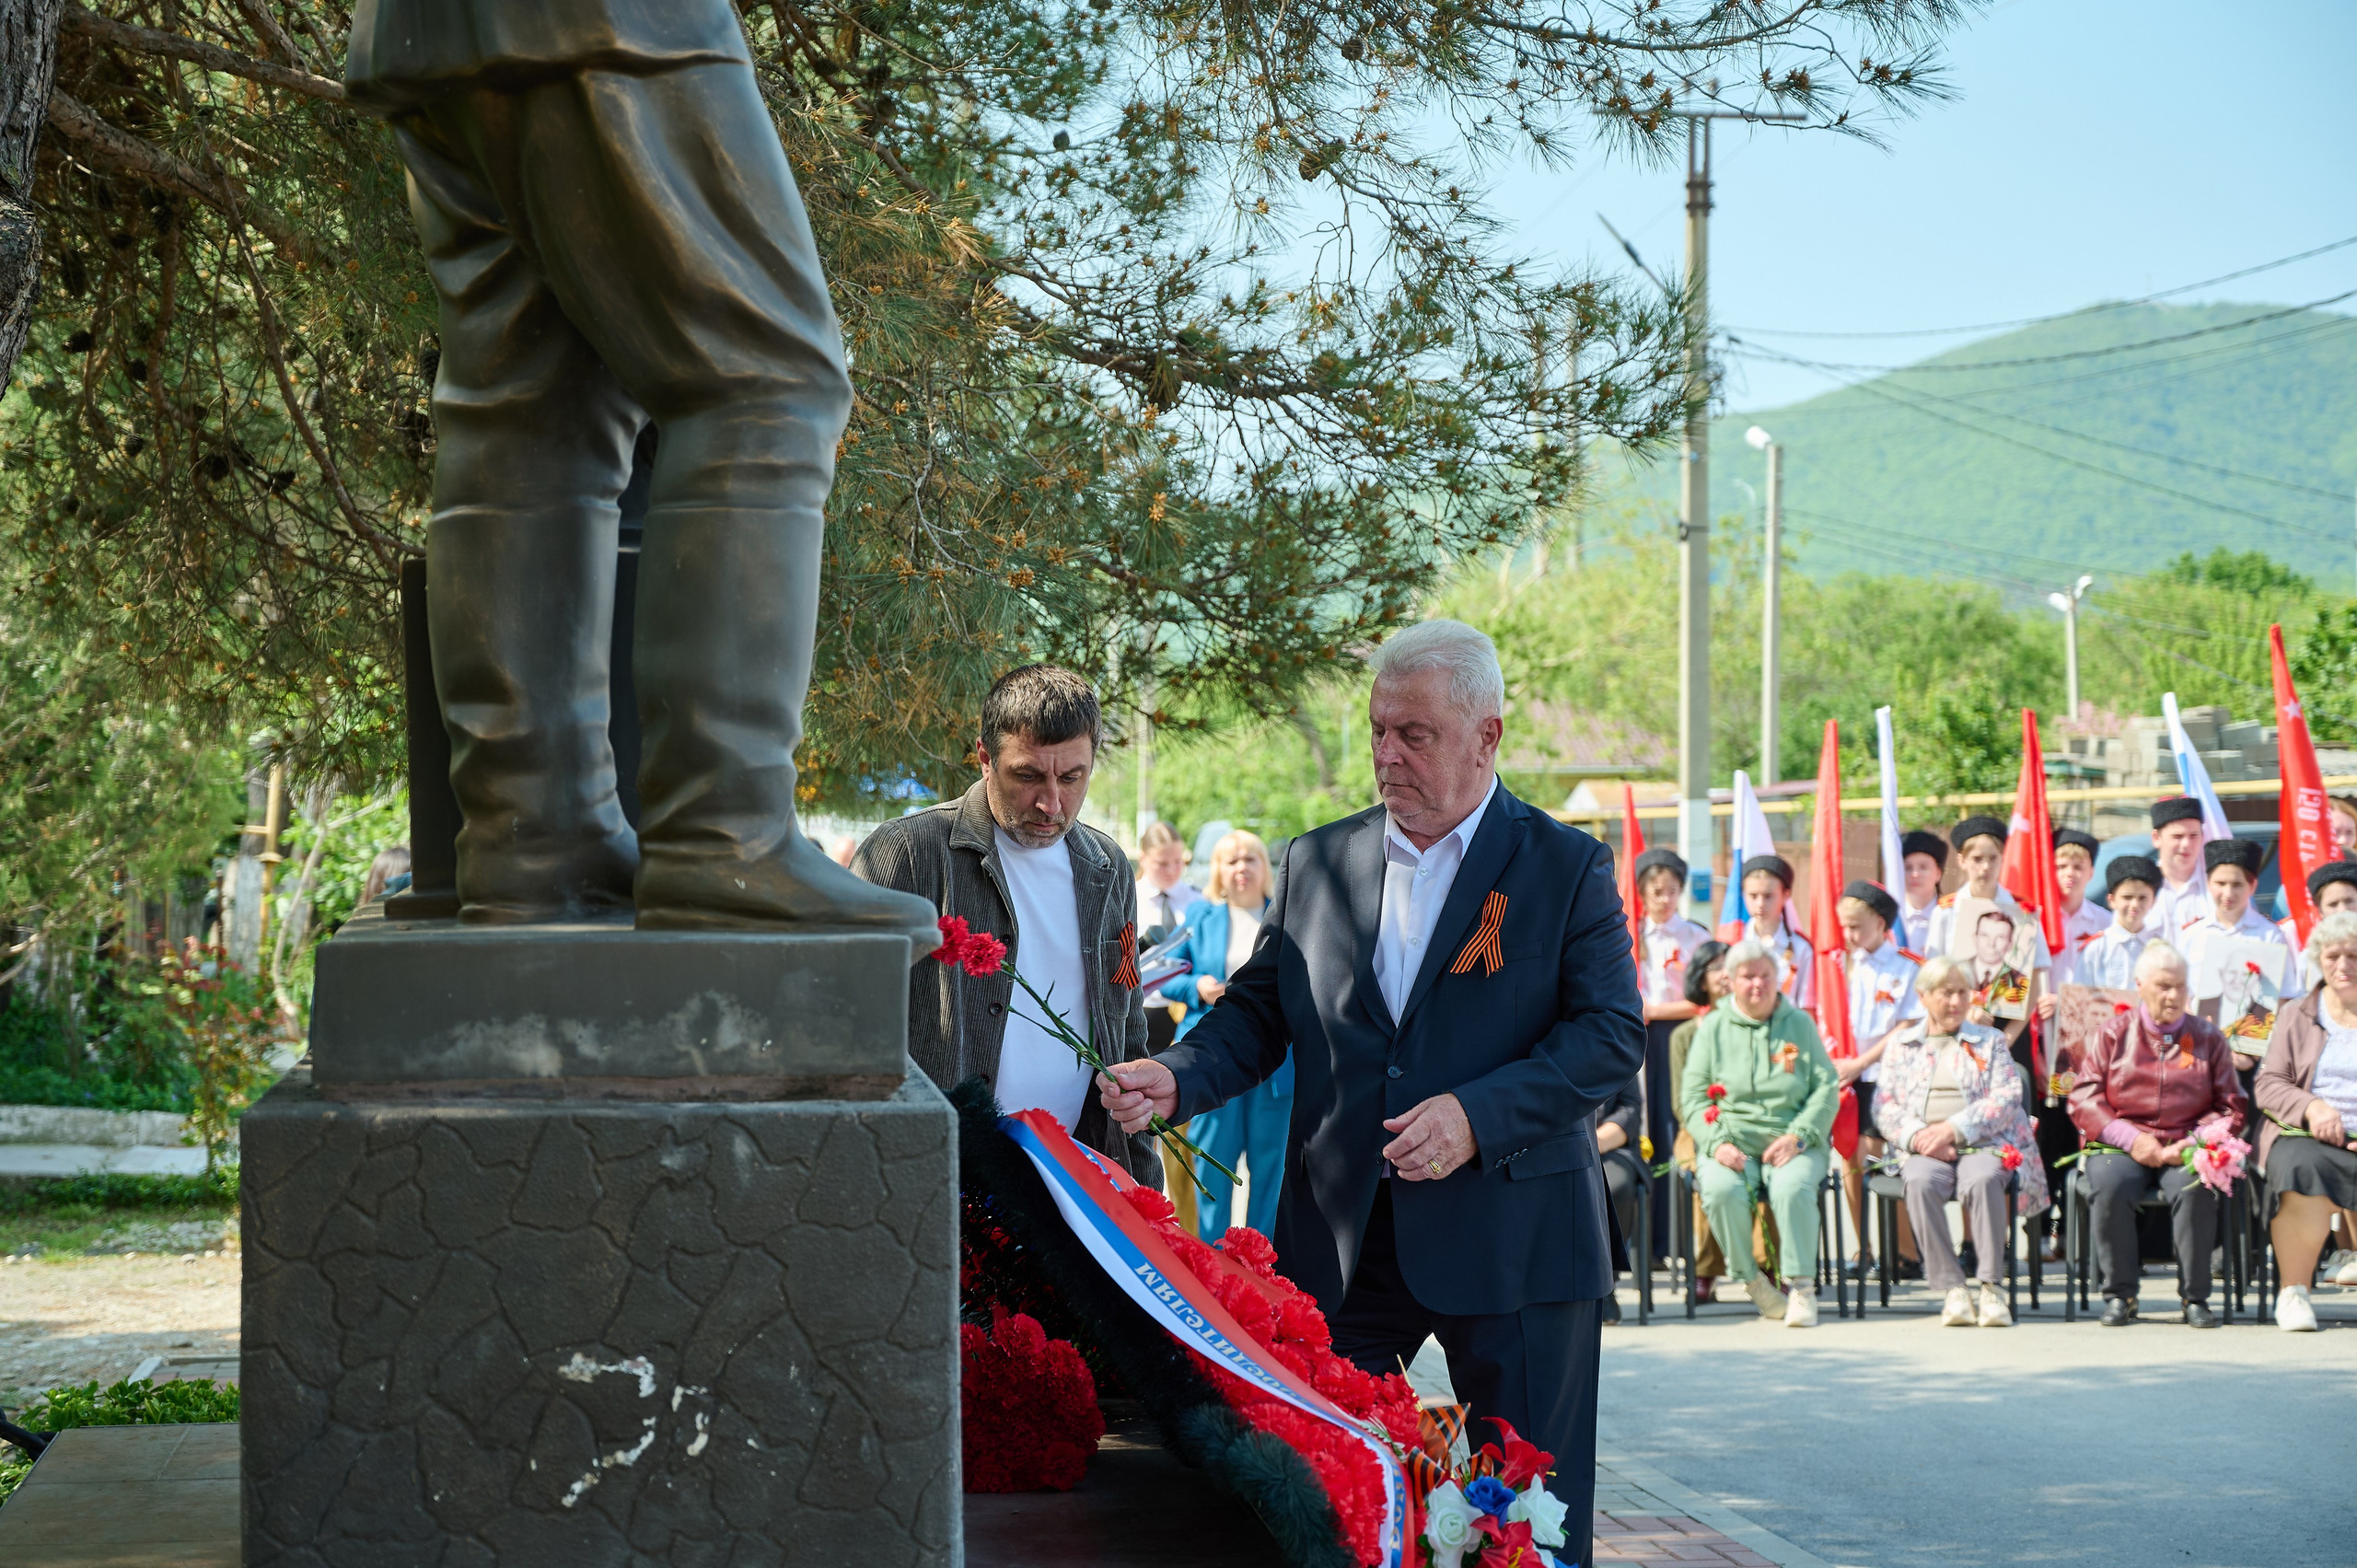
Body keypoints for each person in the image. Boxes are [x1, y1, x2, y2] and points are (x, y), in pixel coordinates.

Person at [345, 0, 934, 942]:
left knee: (529, 407)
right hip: (610, 18)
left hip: (434, 25)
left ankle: (532, 843)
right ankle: (721, 838)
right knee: (765, 382)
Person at [1098, 620, 1643, 1563]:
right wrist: (1177, 1075)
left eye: (1415, 734)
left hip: (1518, 1242)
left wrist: (1476, 1114)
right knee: (1317, 1499)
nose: (1388, 755)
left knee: (1530, 1516)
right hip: (1343, 1241)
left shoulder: (1565, 867)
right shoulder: (1317, 861)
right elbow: (1259, 1014)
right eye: (1378, 729)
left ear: (1488, 735)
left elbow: (1607, 1036)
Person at [853, 665, 1161, 1182]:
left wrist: (1142, 1167)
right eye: (1027, 776)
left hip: (1078, 1176)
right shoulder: (906, 853)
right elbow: (852, 1027)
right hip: (941, 1175)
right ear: (984, 758)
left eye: (1071, 778)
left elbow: (1127, 1035)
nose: (1051, 802)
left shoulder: (1108, 867)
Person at [2067, 944, 2247, 1328]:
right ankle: (2121, 1295)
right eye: (2164, 986)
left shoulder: (2209, 1038)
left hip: (2185, 1142)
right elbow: (2084, 1097)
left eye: (2181, 987)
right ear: (2140, 986)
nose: (2173, 995)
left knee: (2196, 1184)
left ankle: (2194, 1297)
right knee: (2110, 1184)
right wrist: (2133, 1141)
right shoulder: (2113, 1034)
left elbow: (2231, 1105)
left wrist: (2195, 1141)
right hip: (2122, 1141)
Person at [1875, 956, 2049, 1327]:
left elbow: (2005, 1096)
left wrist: (1952, 1130)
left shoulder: (1990, 1041)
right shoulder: (1901, 1045)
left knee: (1983, 1179)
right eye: (1944, 993)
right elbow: (1884, 1105)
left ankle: (1990, 1287)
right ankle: (1953, 1287)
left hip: (1982, 1141)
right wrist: (1921, 1137)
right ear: (1923, 996)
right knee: (1920, 1182)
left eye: (1961, 993)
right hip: (1924, 1148)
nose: (1955, 1002)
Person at [1678, 939, 1841, 1326]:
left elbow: (1826, 1086)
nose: (1757, 984)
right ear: (1732, 980)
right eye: (1748, 976)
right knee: (1720, 1190)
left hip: (1794, 1141)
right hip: (1731, 1142)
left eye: (1765, 975)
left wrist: (1800, 1135)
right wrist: (1717, 1145)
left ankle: (1800, 1286)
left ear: (1777, 979)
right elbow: (1693, 1096)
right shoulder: (1713, 1026)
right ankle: (1752, 1281)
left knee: (1791, 1188)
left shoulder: (1798, 1023)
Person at [1155, 830, 1287, 1239]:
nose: (1241, 868)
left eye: (1250, 859)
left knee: (1272, 1169)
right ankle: (1210, 1261)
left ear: (1265, 867)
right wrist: (1198, 987)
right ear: (1218, 870)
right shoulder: (1200, 917)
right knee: (1212, 1165)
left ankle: (1263, 1264)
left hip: (1277, 1068)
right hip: (1210, 1060)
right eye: (1231, 861)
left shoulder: (1286, 916)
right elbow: (1164, 974)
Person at [2255, 911, 2357, 1330]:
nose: (2343, 965)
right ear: (2318, 958)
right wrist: (2313, 1107)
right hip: (2309, 1135)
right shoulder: (2297, 1014)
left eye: (2353, 955)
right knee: (2299, 1166)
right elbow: (2269, 1084)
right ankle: (2293, 1292)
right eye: (2333, 955)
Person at [1669, 940, 1776, 1303]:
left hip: (1752, 1125)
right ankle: (1706, 1269)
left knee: (1767, 1163)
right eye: (1715, 967)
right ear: (1700, 980)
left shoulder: (1763, 1024)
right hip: (1700, 1128)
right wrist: (1713, 1132)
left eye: (1728, 965)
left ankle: (1767, 1265)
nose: (1724, 974)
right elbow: (1682, 1103)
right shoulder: (1685, 1035)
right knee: (1707, 1167)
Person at [1836, 881, 1924, 1273]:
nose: (1850, 935)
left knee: (1892, 1161)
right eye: (1845, 927)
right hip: (1844, 1076)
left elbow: (1906, 1026)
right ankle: (1863, 1249)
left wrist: (1860, 1062)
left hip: (1886, 1077)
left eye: (1857, 926)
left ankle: (1907, 1252)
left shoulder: (1906, 966)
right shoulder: (1839, 965)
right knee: (1850, 1157)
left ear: (1881, 922)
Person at [1926, 817, 2049, 1064]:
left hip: (2010, 1029)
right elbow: (1932, 976)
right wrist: (1966, 1011)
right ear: (1962, 861)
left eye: (1993, 858)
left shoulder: (2023, 912)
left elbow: (2033, 978)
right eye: (1977, 859)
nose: (1985, 867)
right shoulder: (1946, 912)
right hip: (1956, 1023)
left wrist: (2007, 1037)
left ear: (2002, 859)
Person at [1634, 846, 1709, 1254]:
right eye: (1656, 892)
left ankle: (1680, 1237)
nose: (1664, 900)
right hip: (1637, 1035)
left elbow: (1706, 997)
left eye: (1671, 891)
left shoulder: (1696, 936)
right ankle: (1646, 1238)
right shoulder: (1628, 933)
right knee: (1645, 1125)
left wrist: (1657, 1009)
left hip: (1680, 1034)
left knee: (1675, 1124)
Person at [2177, 838, 2302, 1074]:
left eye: (2237, 884)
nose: (2228, 893)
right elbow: (2182, 994)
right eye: (2220, 883)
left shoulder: (2270, 936)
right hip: (2196, 1051)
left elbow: (2279, 998)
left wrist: (2247, 1050)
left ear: (2253, 886)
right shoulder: (2192, 935)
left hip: (2250, 1058)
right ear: (2208, 883)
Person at [1732, 854, 1816, 1008]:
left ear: (1786, 895)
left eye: (1768, 896)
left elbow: (1806, 1007)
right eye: (1753, 896)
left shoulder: (1800, 948)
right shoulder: (1734, 941)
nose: (1760, 904)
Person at [1596, 1074, 1643, 1325]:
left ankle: (1605, 1284)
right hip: (1549, 1145)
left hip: (1608, 1146)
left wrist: (1596, 1141)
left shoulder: (1613, 1038)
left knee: (1616, 1188)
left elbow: (1630, 1108)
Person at [2078, 856, 2165, 990]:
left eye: (2143, 898)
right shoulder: (2096, 948)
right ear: (2112, 900)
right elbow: (2077, 996)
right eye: (2127, 897)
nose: (2135, 904)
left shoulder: (2160, 949)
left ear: (2153, 901)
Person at [2045, 828, 2113, 993]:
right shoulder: (2038, 918)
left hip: (2086, 1012)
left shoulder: (2105, 922)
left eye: (2078, 867)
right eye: (2061, 866)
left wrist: (2062, 1002)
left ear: (2091, 873)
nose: (2069, 873)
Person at [2149, 797, 2212, 942]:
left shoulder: (2216, 888)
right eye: (2177, 836)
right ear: (2156, 838)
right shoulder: (2142, 889)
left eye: (2194, 836)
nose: (2186, 844)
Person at [2286, 860, 2357, 989]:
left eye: (2349, 901)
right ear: (2320, 911)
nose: (2342, 910)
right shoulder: (2308, 960)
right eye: (2333, 904)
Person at [1135, 820, 1201, 945]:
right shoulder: (1129, 901)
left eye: (1177, 861)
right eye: (1162, 864)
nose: (1171, 870)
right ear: (1143, 859)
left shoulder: (1197, 899)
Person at [1898, 830, 1948, 958]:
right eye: (1908, 868)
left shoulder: (1950, 916)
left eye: (1923, 867)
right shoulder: (1890, 918)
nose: (1915, 874)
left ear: (1938, 873)